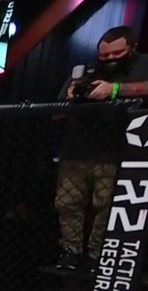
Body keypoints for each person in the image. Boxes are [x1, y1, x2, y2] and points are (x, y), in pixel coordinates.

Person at [55, 25, 148, 272]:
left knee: (107, 206)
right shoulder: (86, 71)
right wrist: (72, 98)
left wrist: (114, 89)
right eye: (104, 55)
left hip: (118, 150)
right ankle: (70, 252)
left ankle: (98, 255)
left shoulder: (143, 65)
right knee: (67, 203)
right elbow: (56, 111)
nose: (109, 60)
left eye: (116, 54)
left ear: (132, 48)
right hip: (77, 150)